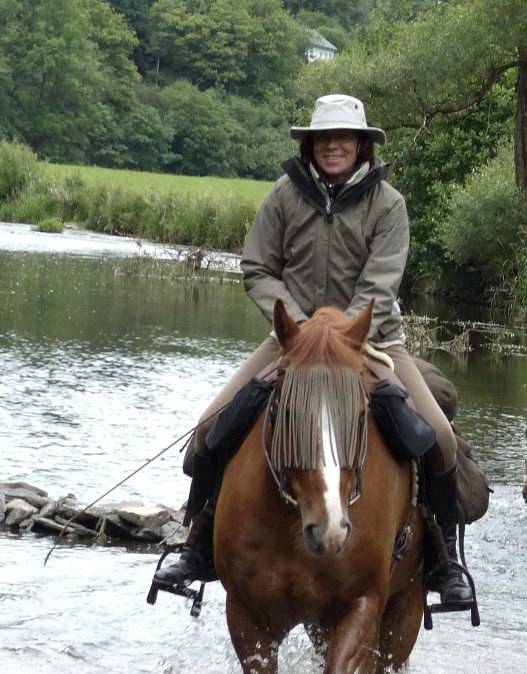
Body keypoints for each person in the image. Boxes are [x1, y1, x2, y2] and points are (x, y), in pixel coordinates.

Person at [153, 94, 474, 607]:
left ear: (362, 145)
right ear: (310, 144)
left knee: (438, 438)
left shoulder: (388, 204)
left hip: (373, 341)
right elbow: (258, 267)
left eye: (343, 138)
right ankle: (195, 544)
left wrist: (337, 335)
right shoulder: (284, 195)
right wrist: (299, 332)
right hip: (291, 341)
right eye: (324, 138)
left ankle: (444, 557)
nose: (333, 146)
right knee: (211, 427)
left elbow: (379, 285)